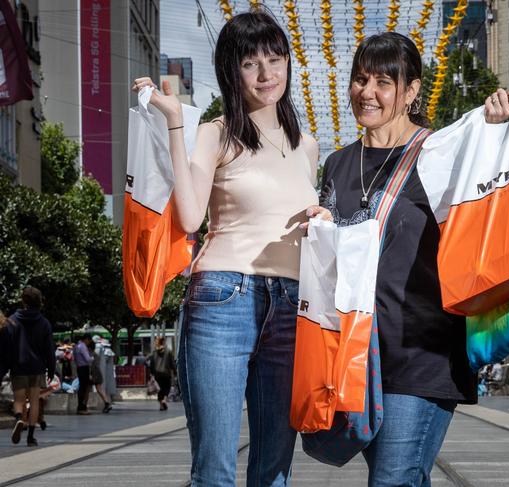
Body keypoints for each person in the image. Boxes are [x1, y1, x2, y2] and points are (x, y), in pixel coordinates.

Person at [314, 32, 509, 484]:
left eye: (384, 82)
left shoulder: (444, 151)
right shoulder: (338, 164)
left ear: (411, 91)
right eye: (360, 79)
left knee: (392, 479)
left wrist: (501, 132)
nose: (367, 92)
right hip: (356, 356)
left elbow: (494, 203)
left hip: (423, 351)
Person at [131, 10, 319, 486]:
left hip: (290, 307)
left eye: (275, 60)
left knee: (274, 470)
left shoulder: (309, 146)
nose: (266, 73)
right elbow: (191, 217)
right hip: (222, 299)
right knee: (214, 471)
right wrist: (175, 121)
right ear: (231, 71)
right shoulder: (215, 133)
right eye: (251, 63)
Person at [3, 286, 56, 447]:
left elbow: (6, 347)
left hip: (18, 366)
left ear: (23, 301)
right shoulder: (44, 323)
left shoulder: (12, 320)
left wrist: (4, 368)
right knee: (34, 401)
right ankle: (31, 437)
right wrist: (51, 368)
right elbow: (49, 348)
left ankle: (20, 418)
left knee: (18, 399)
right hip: (37, 367)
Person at [148, 336, 175, 411]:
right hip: (166, 373)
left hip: (157, 374)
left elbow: (151, 364)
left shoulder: (154, 352)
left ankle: (161, 406)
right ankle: (164, 400)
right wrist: (175, 371)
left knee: (159, 390)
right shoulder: (168, 351)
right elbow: (172, 363)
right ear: (163, 342)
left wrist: (151, 373)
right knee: (167, 387)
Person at [73, 333, 94, 415]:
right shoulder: (83, 347)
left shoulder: (76, 346)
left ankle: (81, 407)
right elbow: (88, 359)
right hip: (84, 368)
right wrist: (93, 357)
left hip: (79, 368)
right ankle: (82, 407)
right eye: (89, 341)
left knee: (82, 387)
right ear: (86, 339)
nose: (89, 343)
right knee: (84, 388)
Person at [89, 342, 112, 414]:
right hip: (98, 372)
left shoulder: (91, 355)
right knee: (99, 389)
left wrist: (90, 374)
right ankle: (106, 402)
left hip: (94, 373)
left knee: (87, 389)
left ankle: (106, 403)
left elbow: (91, 365)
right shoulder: (96, 354)